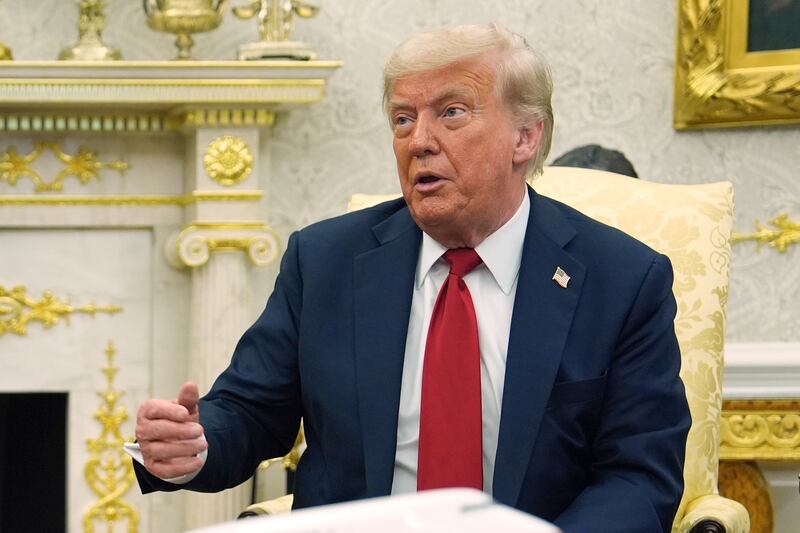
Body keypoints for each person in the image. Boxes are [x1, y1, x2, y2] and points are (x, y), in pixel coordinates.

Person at [133, 23, 691, 532]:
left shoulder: (621, 279)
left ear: (525, 137)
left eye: (451, 113)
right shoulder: (325, 261)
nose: (418, 140)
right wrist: (195, 446)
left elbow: (639, 477)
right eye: (403, 118)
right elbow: (251, 412)